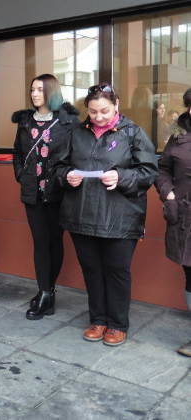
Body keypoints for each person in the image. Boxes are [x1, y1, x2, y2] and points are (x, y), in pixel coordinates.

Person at [56, 83, 157, 347]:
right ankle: (98, 319)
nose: (98, 117)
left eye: (104, 111)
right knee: (91, 269)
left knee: (116, 270)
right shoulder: (76, 133)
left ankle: (117, 324)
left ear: (117, 105)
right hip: (81, 213)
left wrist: (122, 176)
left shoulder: (133, 133)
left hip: (120, 216)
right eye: (93, 112)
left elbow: (149, 172)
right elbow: (57, 167)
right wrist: (67, 176)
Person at [12, 74, 80, 319]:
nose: (34, 94)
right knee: (40, 243)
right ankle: (44, 292)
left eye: (40, 89)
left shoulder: (67, 122)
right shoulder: (25, 121)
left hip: (58, 192)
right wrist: (21, 174)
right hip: (33, 193)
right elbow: (18, 153)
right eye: (32, 89)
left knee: (55, 242)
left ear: (51, 91)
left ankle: (48, 292)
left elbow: (75, 154)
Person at [155, 87, 191, 357]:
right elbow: (163, 169)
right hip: (184, 215)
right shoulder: (178, 136)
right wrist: (167, 192)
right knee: (190, 275)